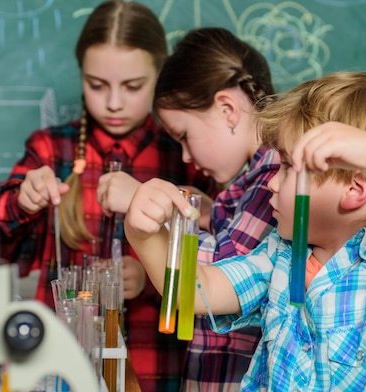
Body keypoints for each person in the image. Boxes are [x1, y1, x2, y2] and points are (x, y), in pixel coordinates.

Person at [123, 71, 366, 391]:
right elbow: (192, 295)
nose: (271, 184)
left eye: (287, 167)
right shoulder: (281, 256)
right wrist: (146, 236)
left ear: (356, 188)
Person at [0, 2, 217, 390]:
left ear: (159, 76)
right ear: (80, 73)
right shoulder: (50, 149)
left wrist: (152, 276)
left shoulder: (185, 153)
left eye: (133, 87)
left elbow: (224, 247)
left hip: (157, 369)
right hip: (63, 367)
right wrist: (22, 201)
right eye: (97, 85)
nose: (113, 102)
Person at [152, 27, 280, 391]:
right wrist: (210, 213)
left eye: (184, 136)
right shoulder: (248, 183)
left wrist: (145, 206)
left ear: (227, 109)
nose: (187, 157)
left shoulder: (272, 177)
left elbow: (218, 273)